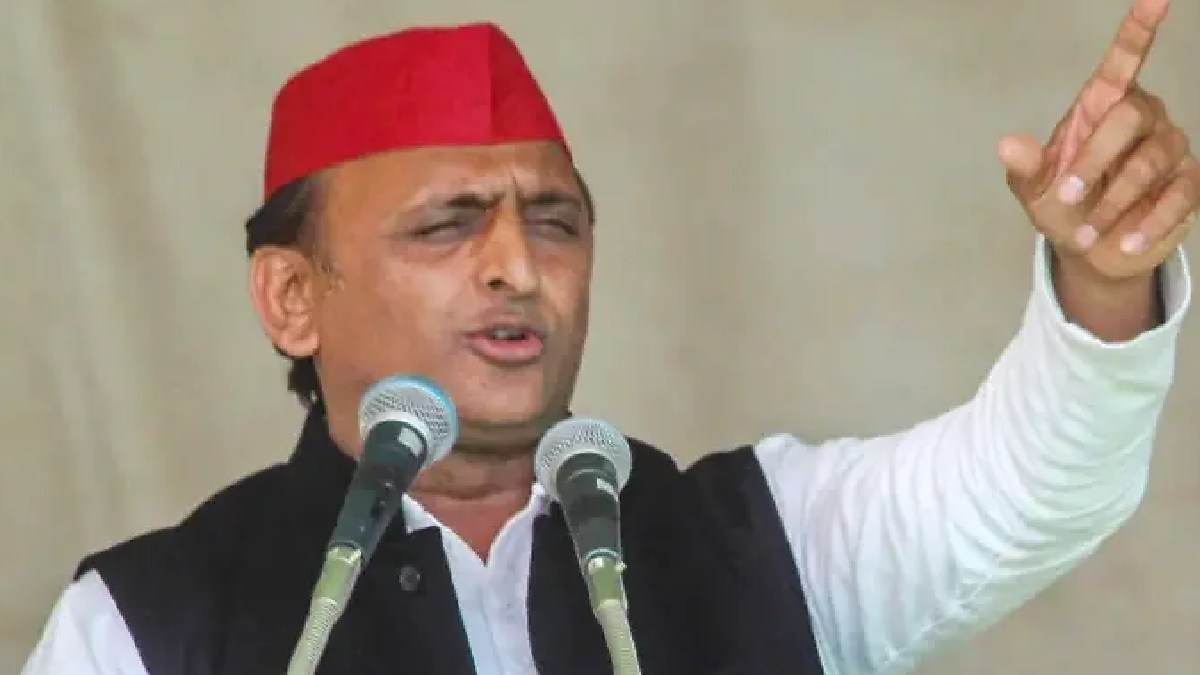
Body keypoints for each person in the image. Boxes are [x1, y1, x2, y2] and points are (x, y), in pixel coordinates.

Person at [21, 1, 1199, 674]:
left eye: (554, 221)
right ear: (292, 296)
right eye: (447, 224)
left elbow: (1029, 491)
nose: (518, 266)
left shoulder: (757, 544)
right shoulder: (146, 626)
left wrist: (1104, 276)